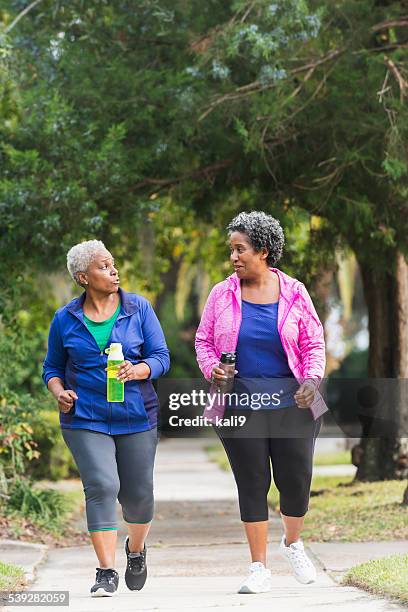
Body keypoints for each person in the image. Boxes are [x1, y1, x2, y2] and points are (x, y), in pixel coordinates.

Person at [195, 211, 327, 594]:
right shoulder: (222, 293)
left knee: (296, 481)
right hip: (238, 404)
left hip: (294, 403)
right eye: (231, 250)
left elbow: (313, 343)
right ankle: (258, 567)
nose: (234, 257)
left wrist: (312, 379)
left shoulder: (295, 292)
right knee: (252, 482)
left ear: (264, 251)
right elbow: (203, 341)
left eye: (241, 249)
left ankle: (292, 542)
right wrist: (212, 369)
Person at [42, 239, 170, 597]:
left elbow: (161, 356)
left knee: (139, 496)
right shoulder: (65, 318)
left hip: (136, 415)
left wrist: (140, 369)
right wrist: (58, 391)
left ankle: (136, 549)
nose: (113, 271)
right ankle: (105, 571)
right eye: (104, 266)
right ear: (83, 277)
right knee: (101, 485)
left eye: (113, 264)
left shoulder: (138, 308)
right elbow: (51, 366)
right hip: (85, 416)